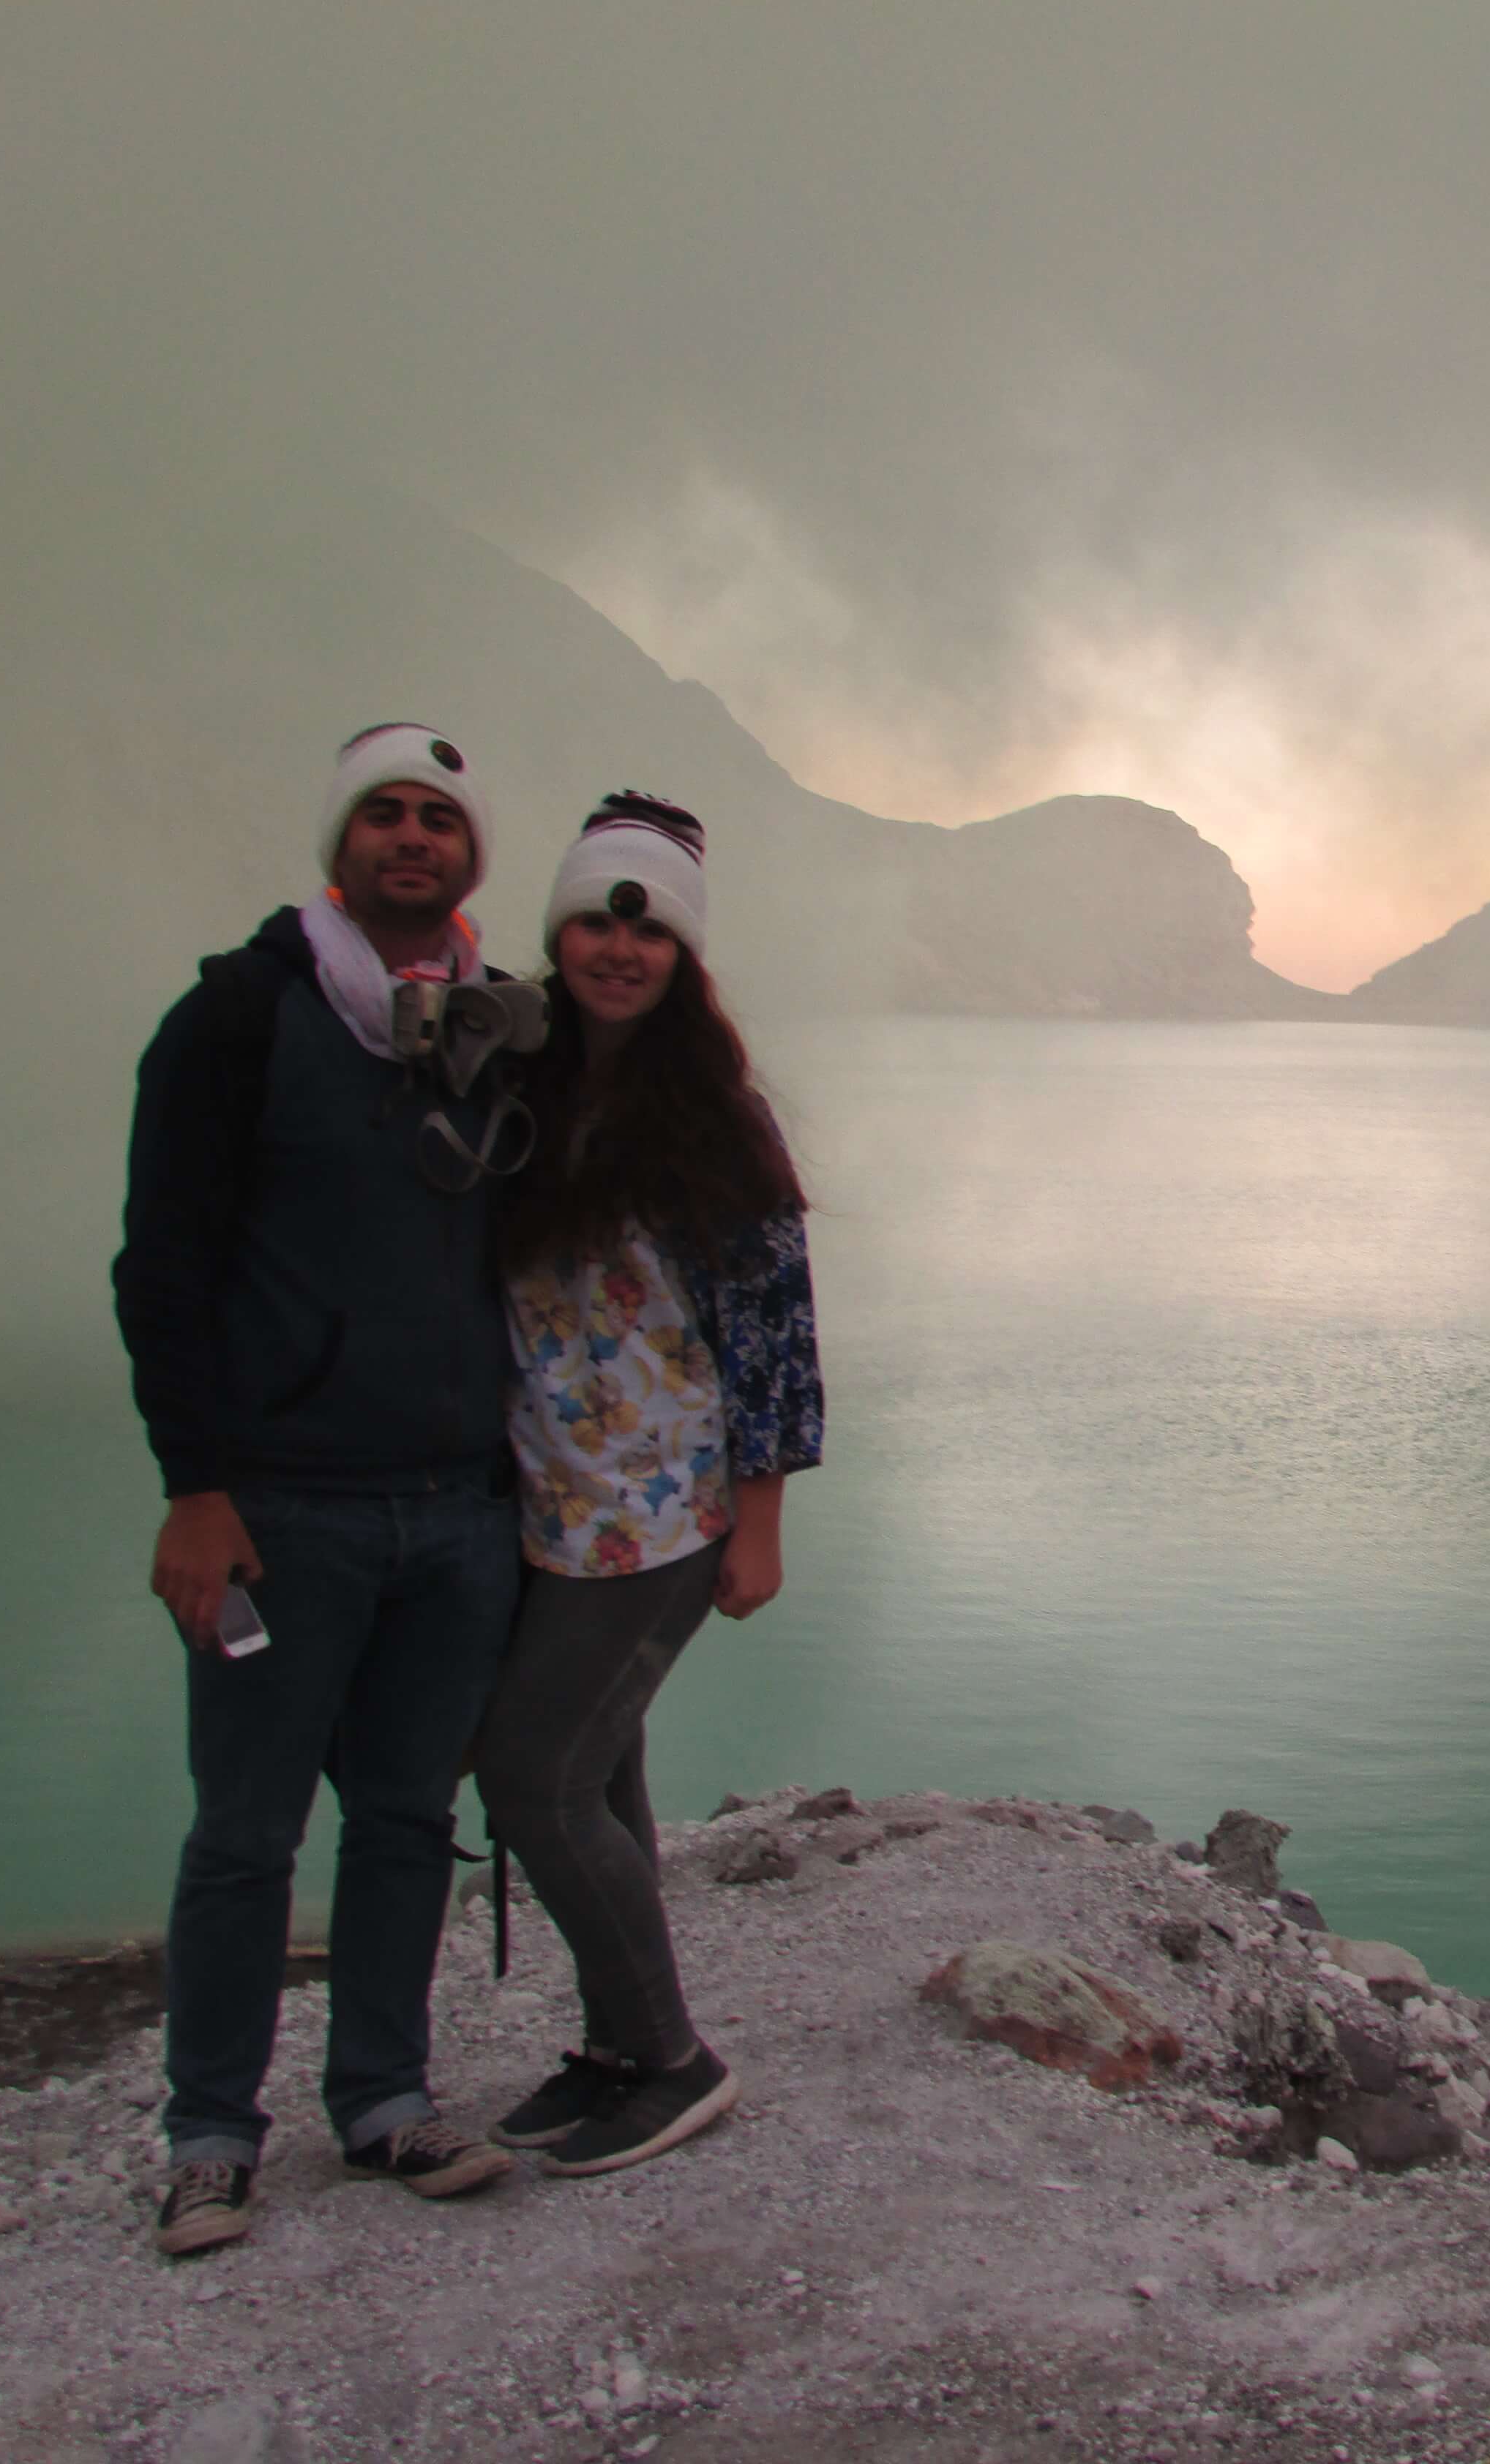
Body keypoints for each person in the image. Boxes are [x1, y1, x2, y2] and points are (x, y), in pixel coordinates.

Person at [112, 724, 529, 2258]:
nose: (413, 838)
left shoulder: (492, 1029)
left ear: (471, 855)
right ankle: (212, 2133)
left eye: (440, 819)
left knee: (410, 1817)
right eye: (384, 816)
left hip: (459, 1507)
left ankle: (383, 2102)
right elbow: (160, 1268)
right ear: (339, 845)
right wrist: (193, 1487)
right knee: (244, 1832)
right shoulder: (241, 1015)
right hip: (284, 1508)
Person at [471, 792, 822, 2175]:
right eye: (596, 917)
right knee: (600, 1779)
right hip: (554, 1503)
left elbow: (777, 1333)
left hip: (668, 1513)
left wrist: (764, 1522)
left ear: (681, 956)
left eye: (649, 927)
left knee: (529, 1776)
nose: (620, 946)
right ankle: (622, 2047)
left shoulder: (711, 1117)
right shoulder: (527, 1081)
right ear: (557, 927)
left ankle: (673, 2059)